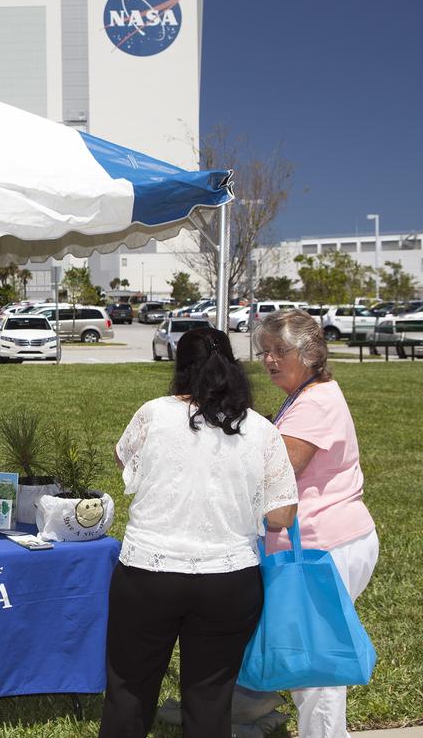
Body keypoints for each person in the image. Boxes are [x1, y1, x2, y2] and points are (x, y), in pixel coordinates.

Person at [101, 327, 298, 738]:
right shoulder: (262, 430)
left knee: (129, 690)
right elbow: (281, 515)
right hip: (229, 579)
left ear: (180, 367)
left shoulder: (153, 413)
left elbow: (124, 460)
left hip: (147, 572)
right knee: (210, 700)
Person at [256, 309, 378, 738]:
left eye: (280, 350)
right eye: (264, 351)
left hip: (323, 546)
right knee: (309, 657)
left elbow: (280, 471)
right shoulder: (306, 394)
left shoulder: (314, 403)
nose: (269, 359)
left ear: (309, 352)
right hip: (323, 543)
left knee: (315, 664)